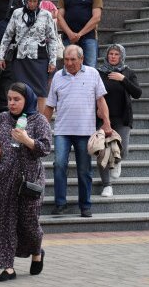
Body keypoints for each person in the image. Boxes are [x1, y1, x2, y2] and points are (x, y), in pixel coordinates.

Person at [0, 82, 50, 281]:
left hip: (28, 181)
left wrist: (27, 140)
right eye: (9, 99)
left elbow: (45, 148)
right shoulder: (3, 118)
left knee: (29, 223)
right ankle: (8, 267)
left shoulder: (39, 120)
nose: (12, 103)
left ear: (27, 100)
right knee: (3, 222)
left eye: (17, 99)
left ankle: (37, 251)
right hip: (2, 178)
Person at [44, 45, 112, 217]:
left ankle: (85, 205)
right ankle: (60, 204)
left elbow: (101, 101)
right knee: (59, 165)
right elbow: (50, 105)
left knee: (84, 169)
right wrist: (43, 127)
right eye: (66, 59)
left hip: (85, 130)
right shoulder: (58, 76)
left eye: (73, 59)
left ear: (81, 59)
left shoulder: (93, 73)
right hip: (62, 130)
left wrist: (107, 123)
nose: (69, 63)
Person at [0, 0, 58, 112]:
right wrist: (1, 56)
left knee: (41, 91)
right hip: (20, 58)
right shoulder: (17, 13)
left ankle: (42, 121)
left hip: (39, 58)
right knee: (20, 91)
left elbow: (52, 39)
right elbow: (7, 35)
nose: (32, 4)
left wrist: (53, 61)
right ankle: (21, 118)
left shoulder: (46, 15)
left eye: (35, 1)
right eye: (30, 1)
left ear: (39, 1)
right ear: (26, 0)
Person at [97, 44, 142, 197]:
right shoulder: (99, 72)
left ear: (121, 56)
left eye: (116, 54)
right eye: (111, 54)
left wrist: (123, 79)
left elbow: (137, 93)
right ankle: (107, 185)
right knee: (103, 152)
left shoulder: (128, 72)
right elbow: (92, 92)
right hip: (102, 118)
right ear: (107, 55)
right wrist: (96, 109)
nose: (113, 57)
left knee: (123, 149)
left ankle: (117, 161)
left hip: (122, 117)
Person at [57, 0, 103, 68]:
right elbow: (59, 16)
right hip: (68, 38)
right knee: (68, 67)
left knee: (90, 67)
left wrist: (79, 34)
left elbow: (96, 17)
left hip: (89, 37)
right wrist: (70, 34)